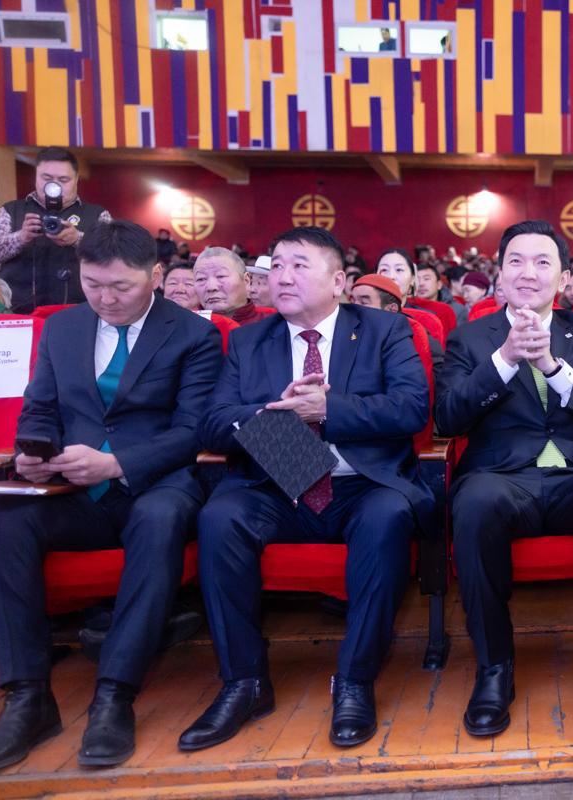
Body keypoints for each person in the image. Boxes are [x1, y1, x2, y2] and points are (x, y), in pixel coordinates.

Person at [0, 221, 222, 772]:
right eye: (93, 285)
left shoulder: (192, 334)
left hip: (155, 484)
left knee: (159, 517)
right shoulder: (62, 330)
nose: (106, 299)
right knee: (5, 515)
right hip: (74, 485)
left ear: (155, 276)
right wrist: (33, 451)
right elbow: (40, 408)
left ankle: (115, 694)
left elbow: (193, 431)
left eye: (120, 287)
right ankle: (26, 697)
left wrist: (117, 463)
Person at [179, 227, 434, 752]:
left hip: (362, 481)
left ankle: (356, 680)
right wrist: (275, 414)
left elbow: (412, 408)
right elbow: (213, 422)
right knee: (219, 517)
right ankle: (245, 682)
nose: (283, 276)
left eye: (299, 265)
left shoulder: (385, 330)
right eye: (276, 266)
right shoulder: (250, 340)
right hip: (277, 479)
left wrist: (327, 410)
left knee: (386, 517)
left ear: (338, 281)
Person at [435, 220, 573, 750]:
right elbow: (448, 417)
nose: (528, 272)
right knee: (474, 498)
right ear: (499, 275)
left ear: (564, 277)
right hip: (503, 480)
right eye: (516, 261)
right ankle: (494, 667)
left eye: (542, 262)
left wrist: (552, 366)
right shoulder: (469, 337)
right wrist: (505, 360)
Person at [0, 147, 111, 312]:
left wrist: (77, 239)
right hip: (18, 311)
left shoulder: (97, 214)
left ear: (76, 179)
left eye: (63, 180)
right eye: (47, 178)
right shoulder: (11, 210)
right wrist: (21, 237)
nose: (54, 185)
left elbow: (114, 256)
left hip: (79, 310)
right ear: (36, 176)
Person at [193, 247, 273, 326]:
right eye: (201, 279)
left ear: (246, 281)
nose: (211, 287)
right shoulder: (188, 325)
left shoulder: (272, 323)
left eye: (221, 276)